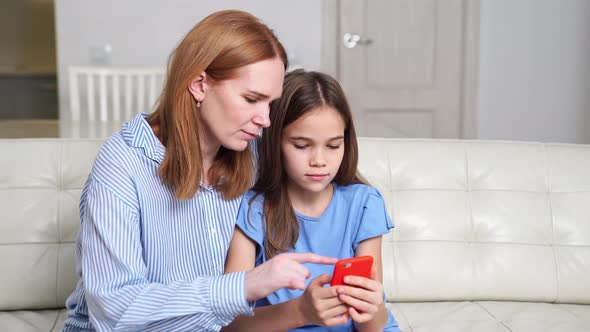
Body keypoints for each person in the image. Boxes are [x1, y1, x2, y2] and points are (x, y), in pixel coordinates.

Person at [62, 10, 337, 332]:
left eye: (270, 104)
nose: (266, 119)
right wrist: (244, 287)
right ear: (198, 85)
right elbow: (115, 312)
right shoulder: (123, 164)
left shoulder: (252, 151)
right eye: (251, 99)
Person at [224, 69, 400, 331]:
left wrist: (369, 310)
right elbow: (229, 323)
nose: (319, 161)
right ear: (275, 142)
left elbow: (372, 325)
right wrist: (301, 311)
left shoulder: (364, 203)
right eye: (302, 145)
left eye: (333, 146)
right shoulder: (253, 209)